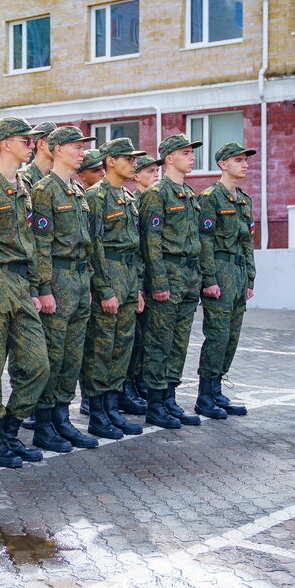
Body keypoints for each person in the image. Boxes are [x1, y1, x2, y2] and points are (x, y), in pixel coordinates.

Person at [0, 117, 58, 470]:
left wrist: (38, 286)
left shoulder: (24, 185)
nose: (32, 144)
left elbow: (34, 241)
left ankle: (9, 427)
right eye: (26, 139)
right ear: (5, 143)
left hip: (21, 284)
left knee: (38, 364)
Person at [30, 126, 101, 451]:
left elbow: (86, 243)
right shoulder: (44, 190)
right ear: (57, 149)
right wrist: (43, 288)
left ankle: (62, 418)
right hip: (57, 279)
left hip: (77, 279)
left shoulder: (76, 190)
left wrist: (85, 281)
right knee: (54, 355)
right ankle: (45, 425)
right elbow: (41, 245)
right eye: (75, 146)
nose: (81, 152)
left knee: (72, 356)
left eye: (82, 146)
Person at [139, 137, 206, 429]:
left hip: (189, 276)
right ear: (168, 159)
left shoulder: (189, 193)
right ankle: (155, 404)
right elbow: (150, 242)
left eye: (191, 153)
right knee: (160, 342)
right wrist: (158, 281)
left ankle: (169, 399)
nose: (191, 158)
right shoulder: (157, 193)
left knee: (179, 343)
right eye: (185, 153)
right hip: (169, 274)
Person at [84, 138, 147, 440]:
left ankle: (111, 409)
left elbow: (135, 249)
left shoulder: (129, 197)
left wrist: (137, 288)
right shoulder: (95, 197)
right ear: (110, 161)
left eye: (135, 160)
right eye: (128, 159)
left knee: (122, 348)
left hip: (127, 280)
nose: (134, 164)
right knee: (102, 349)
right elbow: (93, 246)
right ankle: (97, 413)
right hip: (108, 277)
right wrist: (104, 289)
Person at [195, 142, 258, 419]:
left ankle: (217, 389)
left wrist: (250, 280)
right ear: (223, 164)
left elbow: (248, 243)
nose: (244, 164)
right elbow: (204, 242)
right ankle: (205, 396)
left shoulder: (244, 199)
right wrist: (208, 279)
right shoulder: (210, 197)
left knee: (231, 337)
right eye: (238, 160)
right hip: (219, 271)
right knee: (217, 336)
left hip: (238, 272)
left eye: (245, 160)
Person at [126, 154, 163, 406]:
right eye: (149, 171)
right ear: (136, 175)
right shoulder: (136, 201)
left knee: (144, 337)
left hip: (145, 279)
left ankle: (138, 382)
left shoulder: (147, 200)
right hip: (133, 279)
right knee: (134, 337)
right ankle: (128, 385)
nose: (155, 175)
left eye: (156, 171)